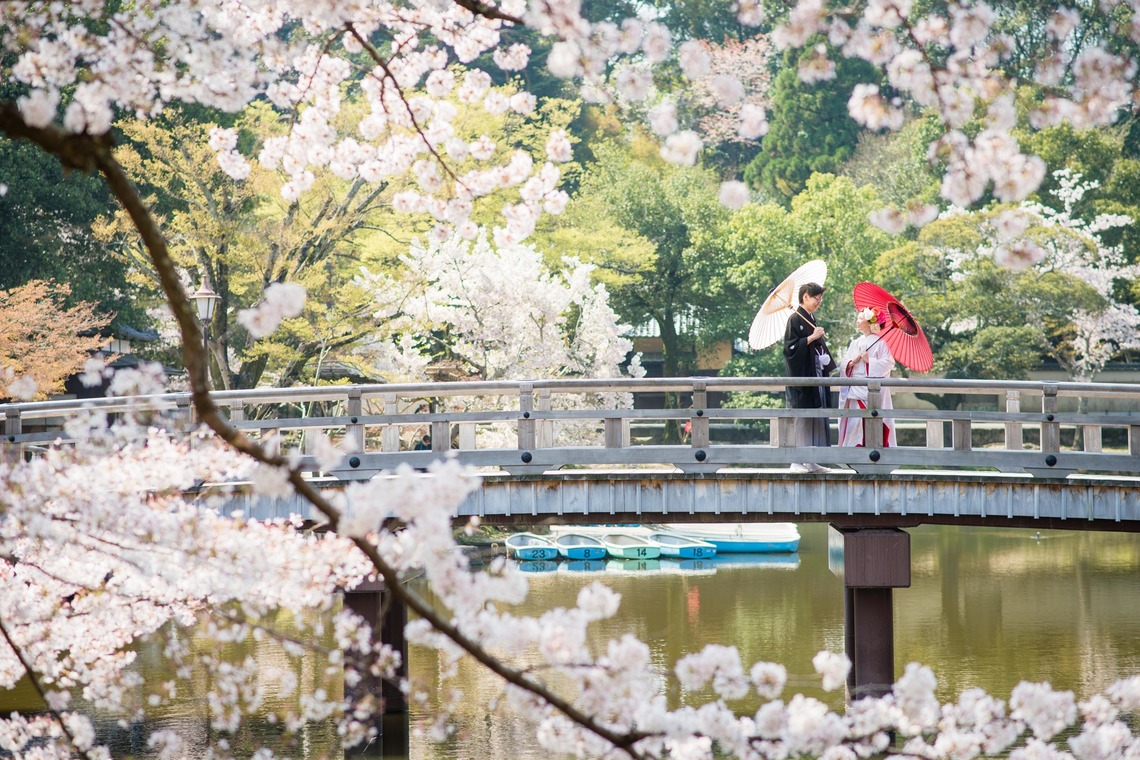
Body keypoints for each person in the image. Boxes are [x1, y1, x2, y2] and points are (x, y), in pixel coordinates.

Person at [783, 282, 837, 473]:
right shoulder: (794, 320)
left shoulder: (809, 319)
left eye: (820, 299)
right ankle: (796, 461)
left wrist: (824, 359)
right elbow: (789, 350)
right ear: (805, 296)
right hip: (803, 378)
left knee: (815, 417)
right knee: (802, 419)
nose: (818, 302)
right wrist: (810, 338)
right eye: (816, 298)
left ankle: (812, 460)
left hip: (815, 375)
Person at [838, 306, 898, 448]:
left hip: (871, 389)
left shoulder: (881, 343)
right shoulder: (855, 343)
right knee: (854, 422)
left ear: (870, 322)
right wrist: (851, 362)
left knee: (871, 421)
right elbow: (843, 362)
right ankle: (852, 452)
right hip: (855, 387)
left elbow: (889, 363)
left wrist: (868, 361)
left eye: (860, 318)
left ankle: (873, 450)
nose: (857, 321)